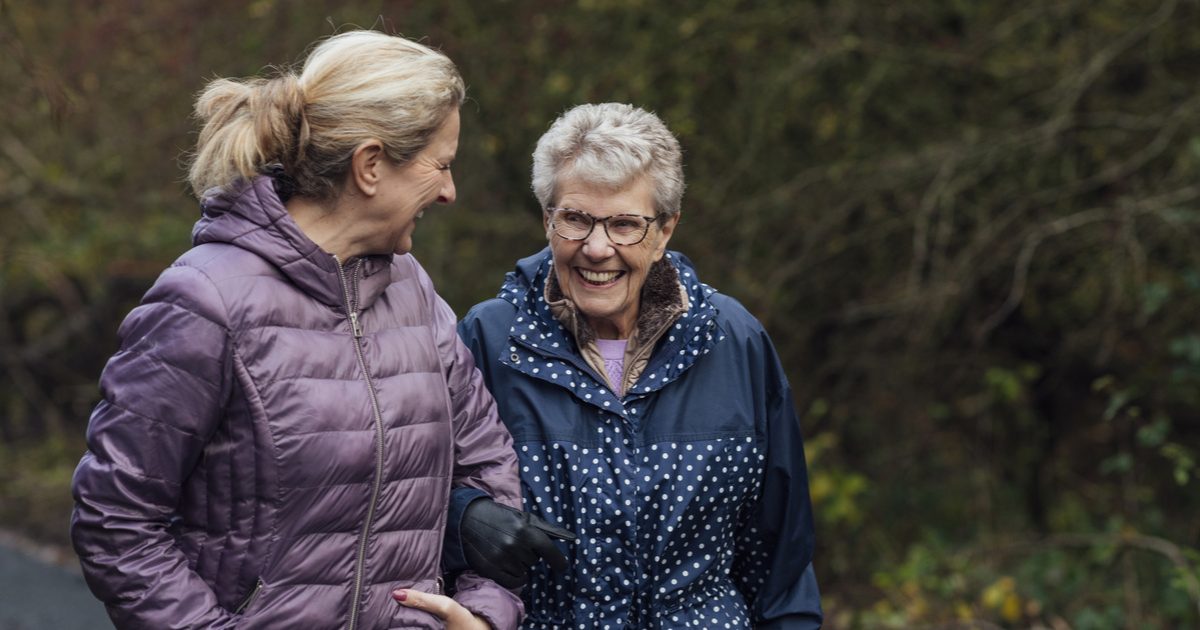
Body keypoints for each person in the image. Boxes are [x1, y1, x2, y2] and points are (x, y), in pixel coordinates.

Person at [70, 30, 530, 630]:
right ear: (370, 165)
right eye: (440, 165)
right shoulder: (206, 301)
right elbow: (116, 520)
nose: (449, 191)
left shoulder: (413, 291)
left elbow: (487, 468)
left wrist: (482, 614)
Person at [455, 103, 824, 628]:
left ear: (666, 230)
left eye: (625, 224)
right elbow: (414, 504)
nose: (597, 247)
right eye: (576, 219)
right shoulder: (488, 341)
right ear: (547, 219)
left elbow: (781, 563)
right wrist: (461, 519)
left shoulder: (735, 341)